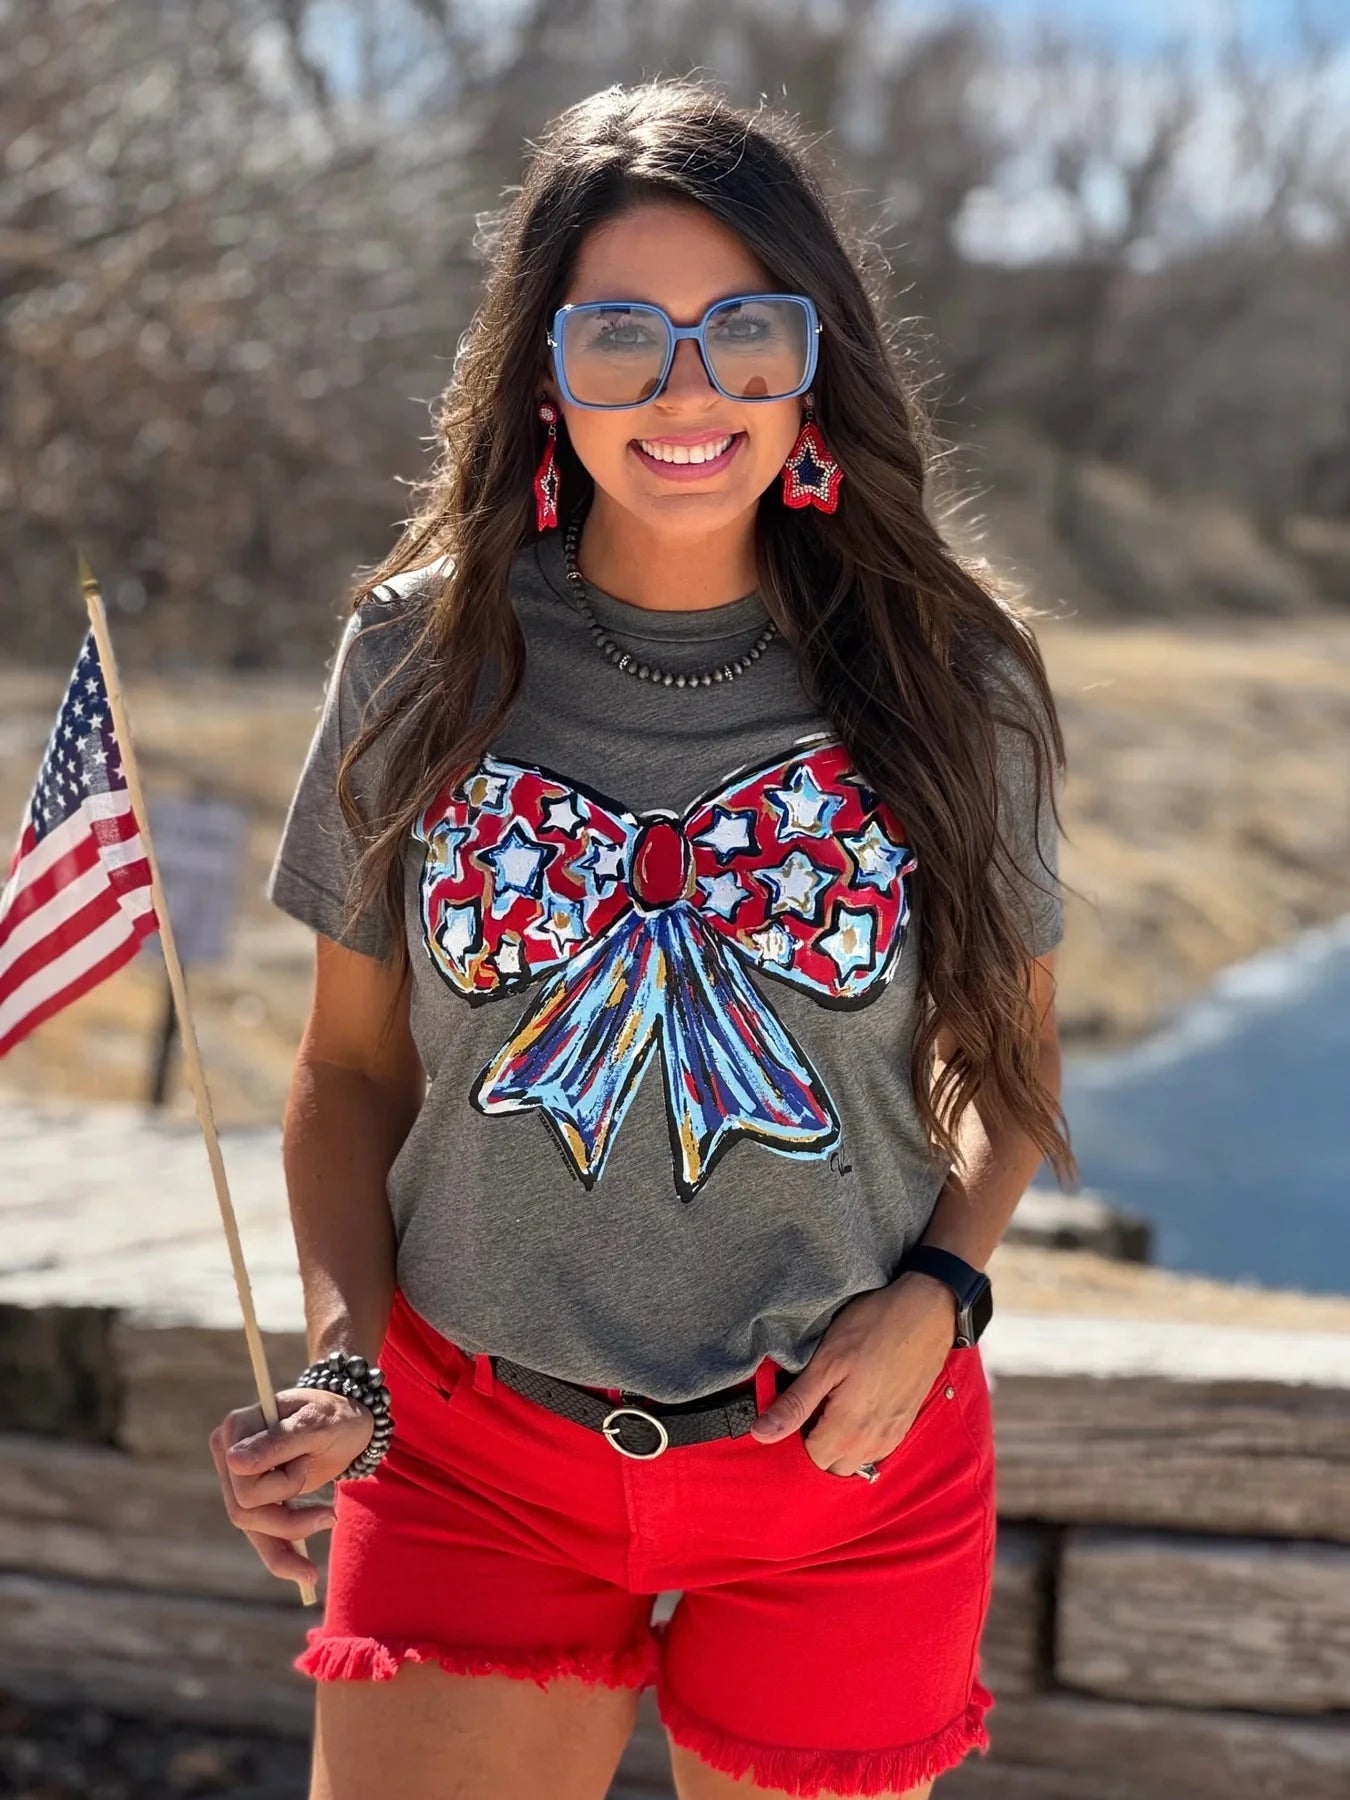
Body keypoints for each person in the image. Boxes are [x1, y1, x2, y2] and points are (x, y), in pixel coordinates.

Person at [209, 76, 1075, 1800]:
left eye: (743, 331)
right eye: (622, 336)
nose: (688, 390)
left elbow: (1010, 1067)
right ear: (546, 371)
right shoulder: (420, 657)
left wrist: (940, 1295)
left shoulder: (947, 673)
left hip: (847, 1465)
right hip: (462, 1460)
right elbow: (348, 1074)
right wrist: (343, 1371)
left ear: (811, 359)